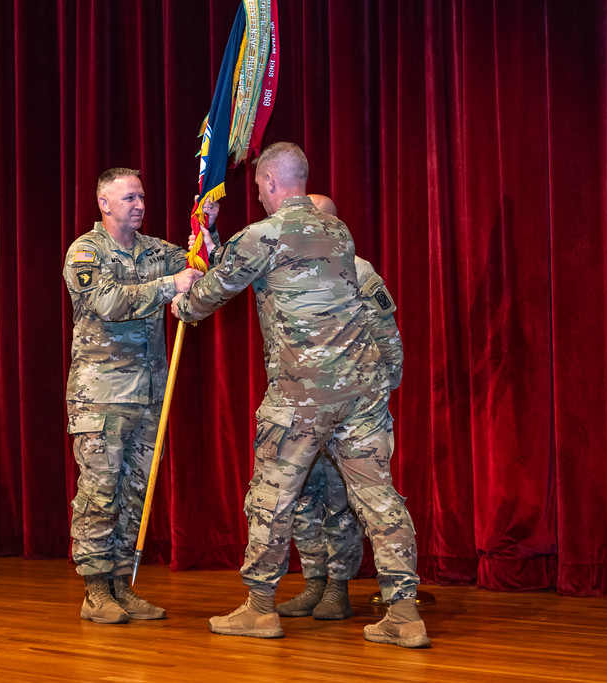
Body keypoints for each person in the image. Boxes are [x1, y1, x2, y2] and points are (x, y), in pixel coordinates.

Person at [172, 143, 428, 647]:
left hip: (300, 396)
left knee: (271, 499)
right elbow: (265, 268)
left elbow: (210, 293)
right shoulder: (338, 232)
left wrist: (183, 301)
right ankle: (404, 614)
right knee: (380, 499)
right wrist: (214, 242)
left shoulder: (263, 234)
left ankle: (259, 609)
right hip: (360, 390)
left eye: (258, 187)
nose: (258, 196)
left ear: (269, 182)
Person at [64, 167, 216, 624]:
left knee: (135, 495)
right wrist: (170, 285)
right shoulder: (86, 251)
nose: (140, 205)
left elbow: (199, 267)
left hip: (149, 396)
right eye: (129, 198)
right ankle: (95, 591)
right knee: (100, 495)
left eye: (142, 197)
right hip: (102, 397)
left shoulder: (154, 250)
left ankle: (121, 586)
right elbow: (107, 303)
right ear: (104, 203)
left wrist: (206, 233)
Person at [274, 194, 404, 623]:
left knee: (340, 502)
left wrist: (376, 395)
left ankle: (337, 588)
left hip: (348, 408)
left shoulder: (359, 271)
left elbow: (388, 338)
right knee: (302, 501)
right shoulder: (288, 268)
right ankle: (314, 581)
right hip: (299, 407)